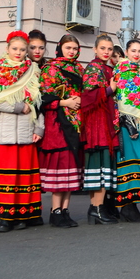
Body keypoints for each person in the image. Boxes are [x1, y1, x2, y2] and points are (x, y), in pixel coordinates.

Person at [0, 31, 44, 232]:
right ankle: (5, 217)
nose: (18, 53)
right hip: (2, 130)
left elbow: (37, 101)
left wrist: (39, 127)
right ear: (7, 49)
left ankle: (22, 214)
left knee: (23, 177)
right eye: (15, 49)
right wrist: (17, 106)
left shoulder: (33, 70)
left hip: (25, 130)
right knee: (5, 177)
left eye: (23, 50)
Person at [39, 34, 84, 228]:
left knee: (71, 168)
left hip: (76, 123)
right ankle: (55, 211)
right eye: (68, 48)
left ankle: (65, 210)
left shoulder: (79, 68)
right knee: (60, 168)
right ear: (60, 48)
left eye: (74, 48)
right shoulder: (51, 68)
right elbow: (44, 98)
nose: (72, 51)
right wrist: (64, 102)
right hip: (58, 123)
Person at [79, 34, 120, 225]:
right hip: (97, 124)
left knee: (105, 165)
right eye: (103, 48)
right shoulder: (93, 68)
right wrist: (109, 90)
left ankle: (99, 207)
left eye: (109, 49)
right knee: (98, 164)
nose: (106, 52)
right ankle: (96, 207)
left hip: (106, 122)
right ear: (95, 49)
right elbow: (88, 97)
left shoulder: (108, 68)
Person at [113, 39, 140, 222]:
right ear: (126, 52)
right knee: (128, 163)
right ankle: (126, 207)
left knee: (138, 163)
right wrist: (127, 122)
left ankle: (133, 205)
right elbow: (117, 100)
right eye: (133, 50)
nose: (137, 54)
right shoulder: (120, 70)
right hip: (127, 124)